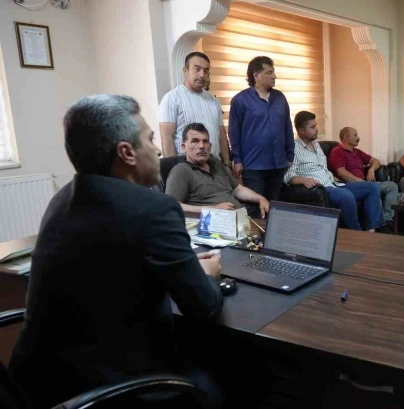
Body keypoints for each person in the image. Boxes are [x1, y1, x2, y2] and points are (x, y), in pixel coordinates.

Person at [9, 95, 226, 409]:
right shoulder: (155, 208)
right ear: (127, 153)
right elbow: (202, 307)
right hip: (111, 389)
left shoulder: (62, 200)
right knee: (222, 377)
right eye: (149, 140)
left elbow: (116, 264)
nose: (157, 150)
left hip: (36, 383)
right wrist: (208, 276)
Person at [285, 111, 385, 232]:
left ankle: (371, 230)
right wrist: (303, 180)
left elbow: (321, 168)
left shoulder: (316, 145)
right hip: (321, 189)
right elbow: (288, 175)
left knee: (372, 187)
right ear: (301, 130)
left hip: (334, 183)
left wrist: (331, 176)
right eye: (312, 127)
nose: (317, 129)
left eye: (316, 125)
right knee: (346, 196)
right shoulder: (293, 148)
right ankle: (357, 234)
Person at [228, 56, 294, 212]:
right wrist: (237, 160)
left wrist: (290, 156)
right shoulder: (240, 100)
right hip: (253, 165)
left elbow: (287, 127)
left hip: (278, 164)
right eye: (269, 72)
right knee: (255, 209)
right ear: (256, 76)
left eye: (273, 72)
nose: (274, 76)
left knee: (274, 208)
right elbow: (234, 132)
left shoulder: (280, 98)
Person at [165, 122, 270, 217]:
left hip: (240, 217)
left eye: (205, 141)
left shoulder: (216, 163)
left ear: (210, 146)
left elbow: (237, 189)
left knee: (274, 216)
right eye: (195, 141)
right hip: (211, 224)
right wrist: (212, 210)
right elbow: (171, 205)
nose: (201, 146)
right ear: (184, 147)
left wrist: (260, 198)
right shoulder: (181, 171)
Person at [158, 52, 230, 166]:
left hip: (214, 166)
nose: (202, 74)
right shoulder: (172, 98)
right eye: (197, 69)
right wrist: (174, 170)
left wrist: (227, 164)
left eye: (206, 70)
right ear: (185, 71)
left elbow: (221, 135)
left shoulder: (214, 101)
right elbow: (167, 139)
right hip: (187, 168)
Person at [328, 127, 398, 229]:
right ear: (346, 138)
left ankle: (388, 219)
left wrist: (371, 169)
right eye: (355, 135)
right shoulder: (337, 151)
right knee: (373, 190)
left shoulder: (357, 152)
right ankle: (379, 226)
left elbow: (376, 161)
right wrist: (360, 181)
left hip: (365, 183)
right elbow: (341, 172)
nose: (358, 137)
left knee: (392, 186)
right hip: (350, 185)